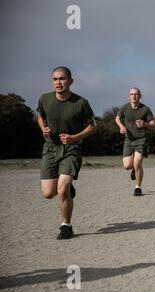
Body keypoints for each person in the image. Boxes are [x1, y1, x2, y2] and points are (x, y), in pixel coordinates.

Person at [37, 66, 96, 240]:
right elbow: (40, 115)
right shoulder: (44, 99)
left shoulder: (81, 103)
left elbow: (92, 126)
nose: (58, 82)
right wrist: (43, 129)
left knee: (62, 191)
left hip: (71, 148)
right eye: (55, 79)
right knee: (48, 193)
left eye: (62, 79)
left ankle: (66, 226)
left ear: (70, 81)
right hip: (50, 148)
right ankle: (68, 186)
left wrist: (75, 137)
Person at [115, 88, 155, 196]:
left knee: (137, 163)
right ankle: (133, 169)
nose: (134, 96)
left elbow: (153, 124)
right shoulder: (125, 108)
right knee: (127, 166)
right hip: (129, 139)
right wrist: (121, 126)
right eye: (132, 94)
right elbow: (117, 118)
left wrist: (145, 124)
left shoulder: (145, 109)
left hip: (142, 139)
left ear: (140, 96)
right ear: (129, 96)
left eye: (136, 94)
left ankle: (138, 187)